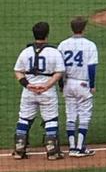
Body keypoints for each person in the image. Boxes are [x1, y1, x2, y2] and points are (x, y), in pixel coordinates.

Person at [12, 21, 66, 160]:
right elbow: (59, 72)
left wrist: (28, 85)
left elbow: (18, 71)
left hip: (29, 92)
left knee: (24, 118)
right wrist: (47, 85)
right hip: (47, 92)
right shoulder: (54, 52)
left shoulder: (25, 52)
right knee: (50, 119)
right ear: (47, 34)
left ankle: (19, 150)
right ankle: (52, 152)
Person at [58, 16, 98, 157]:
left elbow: (59, 68)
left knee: (70, 115)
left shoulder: (63, 45)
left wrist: (61, 85)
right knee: (84, 115)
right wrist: (92, 85)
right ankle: (80, 148)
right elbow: (91, 67)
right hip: (82, 84)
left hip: (68, 83)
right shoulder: (90, 45)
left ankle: (72, 147)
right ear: (84, 29)